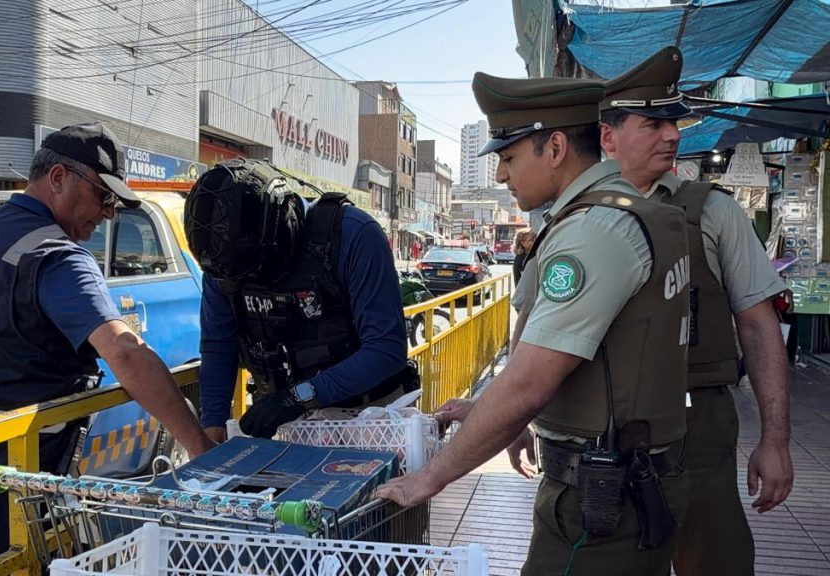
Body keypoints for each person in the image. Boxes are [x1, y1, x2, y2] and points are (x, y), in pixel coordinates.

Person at [376, 72, 692, 576]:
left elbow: (528, 382)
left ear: (556, 147)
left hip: (604, 498)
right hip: (630, 479)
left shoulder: (595, 231)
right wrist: (494, 413)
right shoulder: (627, 212)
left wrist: (430, 476)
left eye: (508, 157)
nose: (502, 176)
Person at [0, 122, 215, 575]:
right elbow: (124, 351)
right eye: (104, 196)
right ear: (58, 178)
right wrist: (197, 444)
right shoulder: (56, 254)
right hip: (17, 471)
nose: (109, 214)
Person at [597, 46, 793, 576]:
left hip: (697, 426)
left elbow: (758, 323)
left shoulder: (712, 210)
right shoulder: (576, 214)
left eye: (674, 122)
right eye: (654, 123)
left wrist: (774, 441)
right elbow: (534, 326)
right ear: (608, 136)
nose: (673, 135)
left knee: (714, 560)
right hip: (601, 429)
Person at [184, 158, 413, 441]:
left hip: (371, 418)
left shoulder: (353, 236)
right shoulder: (224, 261)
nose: (253, 280)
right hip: (286, 421)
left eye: (259, 270)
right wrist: (212, 432)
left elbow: (386, 349)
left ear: (283, 230)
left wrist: (299, 397)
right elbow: (219, 347)